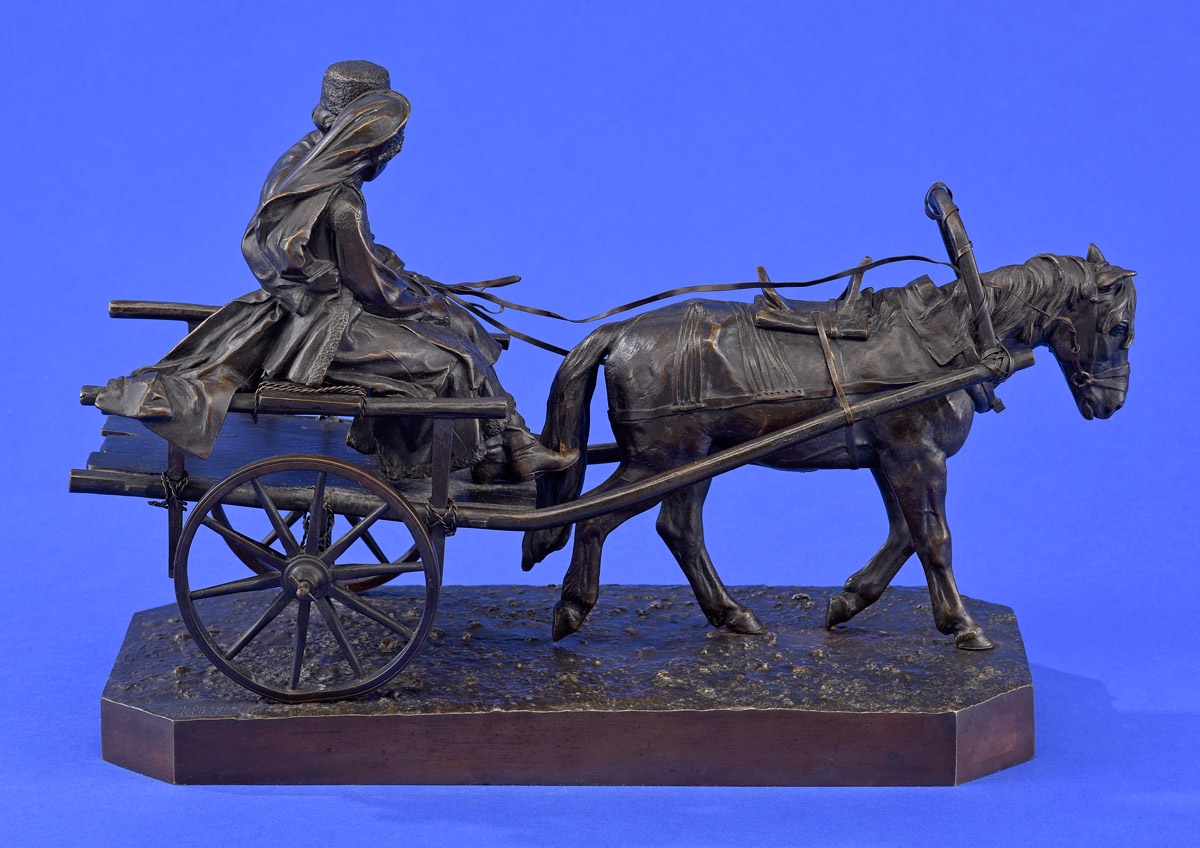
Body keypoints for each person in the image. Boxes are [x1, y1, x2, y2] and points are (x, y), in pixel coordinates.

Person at [97, 60, 575, 482]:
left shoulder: (301, 161)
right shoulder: (343, 201)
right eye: (391, 141)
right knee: (455, 356)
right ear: (369, 137)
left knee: (462, 326)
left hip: (307, 311)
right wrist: (423, 301)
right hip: (327, 330)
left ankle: (510, 446)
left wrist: (390, 268)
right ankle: (501, 448)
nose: (396, 150)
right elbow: (373, 289)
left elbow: (337, 253)